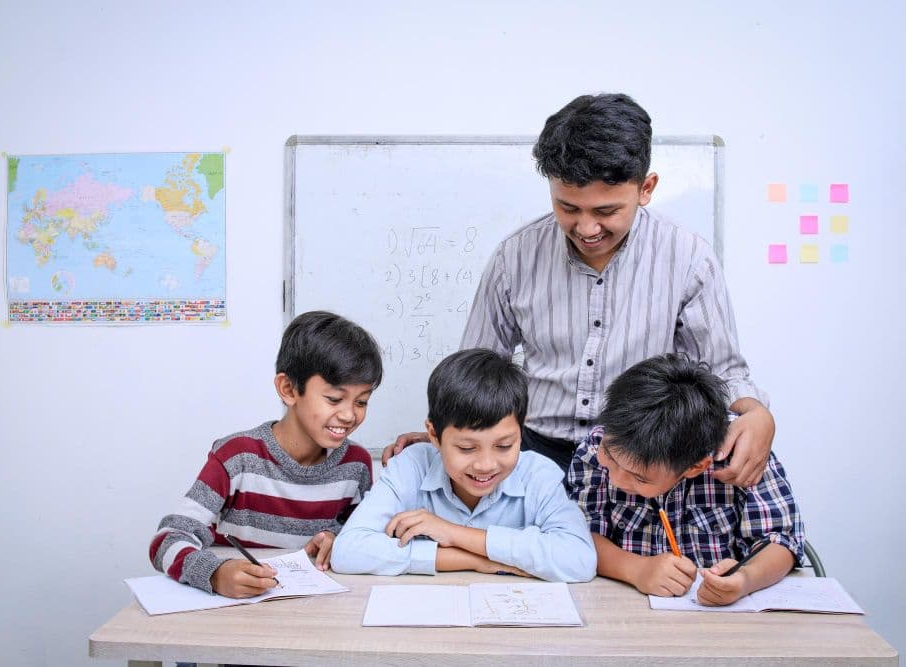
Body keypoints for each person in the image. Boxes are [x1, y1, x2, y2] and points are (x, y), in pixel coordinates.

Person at [383, 93, 774, 485]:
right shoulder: (515, 256)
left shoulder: (689, 259)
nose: (587, 229)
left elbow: (720, 371)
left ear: (646, 188)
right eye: (568, 208)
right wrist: (449, 435)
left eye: (606, 211)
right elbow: (476, 372)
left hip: (635, 458)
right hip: (532, 453)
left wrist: (756, 413)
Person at [149, 310, 382, 598]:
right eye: (334, 399)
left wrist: (339, 541)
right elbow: (166, 540)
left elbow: (362, 535)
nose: (349, 415)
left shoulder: (355, 465)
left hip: (315, 609)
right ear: (288, 389)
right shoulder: (237, 457)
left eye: (361, 402)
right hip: (238, 610)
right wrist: (215, 574)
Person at [331, 348, 596, 582]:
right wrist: (474, 560)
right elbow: (348, 551)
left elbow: (580, 560)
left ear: (521, 429)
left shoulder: (539, 474)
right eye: (467, 448)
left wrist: (452, 533)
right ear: (433, 435)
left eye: (504, 446)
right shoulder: (411, 466)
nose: (485, 465)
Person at [567, 353, 804, 605]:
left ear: (695, 467)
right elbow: (578, 536)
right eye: (610, 456)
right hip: (624, 606)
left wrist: (745, 579)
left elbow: (780, 542)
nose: (617, 479)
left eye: (639, 478)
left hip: (716, 615)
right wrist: (636, 569)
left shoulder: (744, 454)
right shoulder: (593, 448)